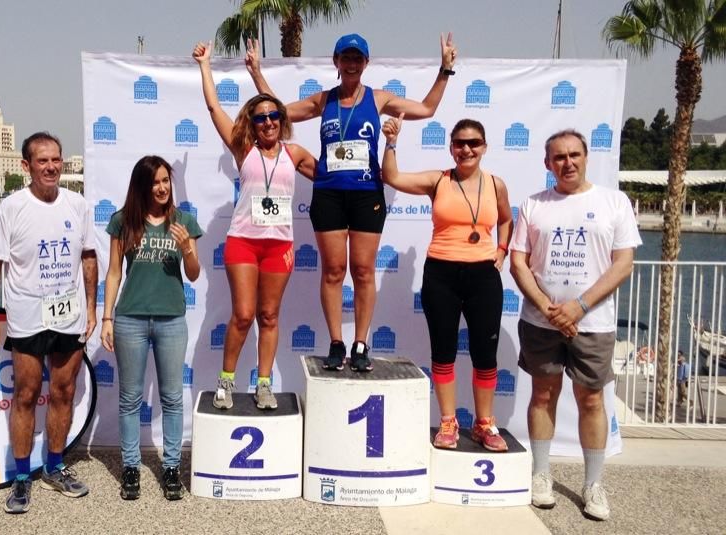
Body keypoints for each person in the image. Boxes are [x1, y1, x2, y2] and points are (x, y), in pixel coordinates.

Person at [245, 33, 457, 372]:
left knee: (361, 271)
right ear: (336, 62)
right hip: (328, 192)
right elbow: (280, 112)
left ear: (366, 63)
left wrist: (445, 70)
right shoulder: (323, 100)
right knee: (332, 271)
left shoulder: (378, 99)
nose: (352, 64)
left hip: (366, 195)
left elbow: (427, 109)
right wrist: (256, 72)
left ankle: (360, 342)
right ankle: (335, 342)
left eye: (358, 58)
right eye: (346, 57)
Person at [510, 129, 642, 521]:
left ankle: (594, 484)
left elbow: (623, 263)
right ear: (547, 163)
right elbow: (519, 261)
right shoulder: (534, 204)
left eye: (574, 155)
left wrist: (579, 307)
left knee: (591, 400)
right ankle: (541, 475)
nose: (567, 162)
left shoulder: (614, 202)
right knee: (542, 396)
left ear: (586, 157)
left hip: (594, 323)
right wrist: (550, 308)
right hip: (541, 322)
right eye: (558, 157)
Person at [193, 41, 316, 410]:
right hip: (244, 241)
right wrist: (205, 65)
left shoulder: (295, 154)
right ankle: (226, 382)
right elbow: (214, 107)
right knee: (244, 315)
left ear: (281, 121)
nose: (267, 123)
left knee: (270, 316)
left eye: (273, 117)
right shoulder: (242, 148)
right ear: (252, 123)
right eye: (260, 118)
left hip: (279, 245)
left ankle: (264, 384)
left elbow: (330, 178)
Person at [0, 132, 97, 514]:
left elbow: (89, 257)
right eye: (42, 161)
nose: (51, 167)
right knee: (26, 396)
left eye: (56, 160)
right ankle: (20, 478)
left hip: (69, 315)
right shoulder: (11, 208)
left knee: (63, 393)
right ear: (26, 166)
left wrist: (92, 308)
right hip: (27, 318)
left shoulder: (77, 204)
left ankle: (55, 466)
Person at [381, 115, 512, 451]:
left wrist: (501, 251)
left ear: (484, 147)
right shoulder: (438, 180)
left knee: (485, 354)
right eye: (460, 143)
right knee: (444, 351)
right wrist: (392, 142)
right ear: (451, 147)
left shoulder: (496, 184)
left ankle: (484, 423)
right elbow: (391, 176)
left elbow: (507, 219)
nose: (466, 149)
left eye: (474, 143)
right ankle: (448, 422)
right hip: (441, 273)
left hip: (483, 275)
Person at [100, 156, 202, 501]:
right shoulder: (122, 222)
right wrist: (107, 318)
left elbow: (194, 274)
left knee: (172, 397)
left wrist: (188, 247)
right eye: (155, 182)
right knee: (130, 399)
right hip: (130, 319)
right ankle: (131, 467)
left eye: (165, 181)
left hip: (172, 319)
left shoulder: (183, 221)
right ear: (142, 186)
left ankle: (171, 468)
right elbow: (114, 273)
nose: (162, 188)